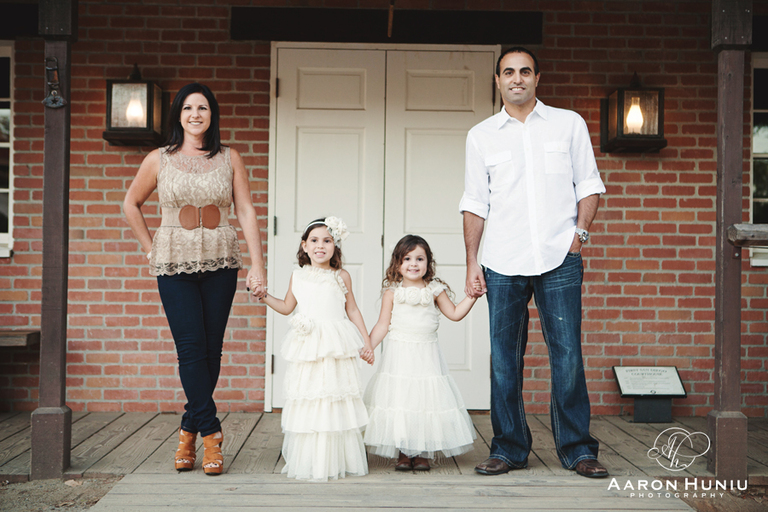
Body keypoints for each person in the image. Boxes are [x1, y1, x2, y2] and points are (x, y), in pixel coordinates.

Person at [460, 47, 608, 478]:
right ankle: (508, 448)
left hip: (559, 257)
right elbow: (474, 202)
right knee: (504, 359)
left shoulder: (568, 124)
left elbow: (590, 185)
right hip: (502, 260)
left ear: (538, 78)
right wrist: (472, 261)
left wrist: (577, 238)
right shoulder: (481, 135)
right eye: (509, 72)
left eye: (525, 71)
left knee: (567, 357)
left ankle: (577, 449)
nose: (517, 78)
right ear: (498, 80)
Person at [123, 82, 267, 476]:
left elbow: (247, 211)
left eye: (202, 108)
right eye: (188, 108)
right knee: (190, 350)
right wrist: (150, 248)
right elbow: (131, 203)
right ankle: (211, 434)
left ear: (211, 114)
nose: (195, 114)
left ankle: (188, 429)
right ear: (178, 115)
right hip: (174, 267)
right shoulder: (159, 159)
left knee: (211, 351)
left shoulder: (230, 158)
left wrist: (258, 265)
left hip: (221, 262)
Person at [254, 217, 372, 481]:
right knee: (311, 395)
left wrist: (366, 341)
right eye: (315, 241)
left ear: (335, 246)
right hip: (309, 343)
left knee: (334, 394)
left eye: (327, 241)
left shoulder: (341, 276)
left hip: (335, 342)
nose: (321, 246)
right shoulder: (298, 276)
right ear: (304, 246)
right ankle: (311, 458)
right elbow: (287, 306)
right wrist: (264, 297)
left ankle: (336, 456)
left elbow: (351, 309)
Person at [363, 235, 480, 471]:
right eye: (407, 259)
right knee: (401, 400)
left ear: (428, 263)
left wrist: (473, 296)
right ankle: (404, 452)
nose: (413, 264)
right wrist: (368, 346)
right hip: (399, 356)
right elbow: (382, 325)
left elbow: (455, 314)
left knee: (426, 401)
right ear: (397, 264)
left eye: (419, 258)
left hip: (426, 355)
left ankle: (423, 451)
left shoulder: (434, 290)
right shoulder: (392, 293)